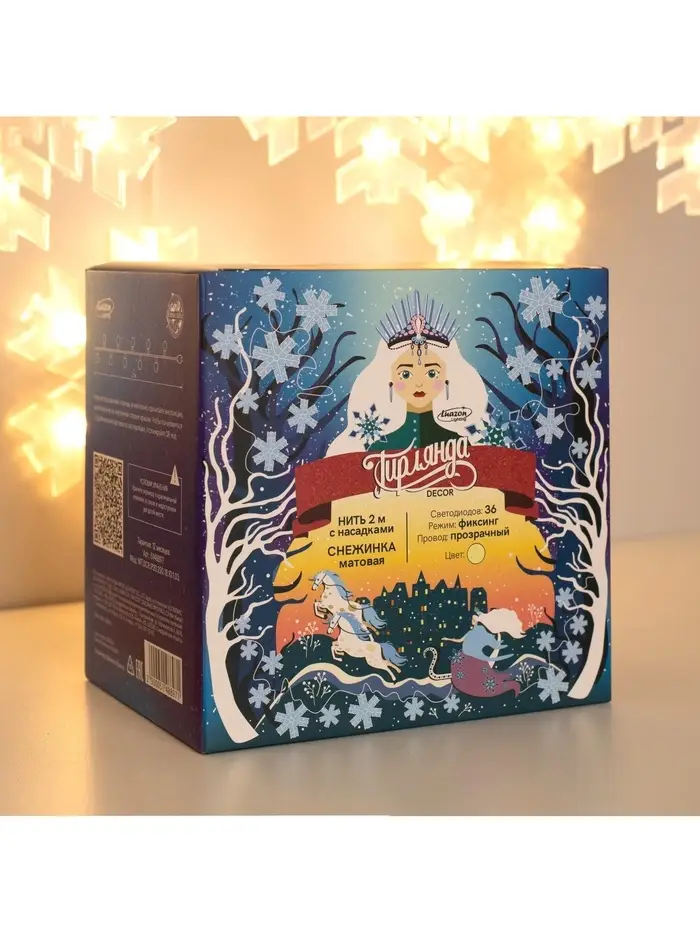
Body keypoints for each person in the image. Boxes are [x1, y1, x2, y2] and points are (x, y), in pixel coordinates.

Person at [327, 291, 488, 457]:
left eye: (431, 373)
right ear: (390, 378)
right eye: (405, 374)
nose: (419, 383)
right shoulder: (379, 449)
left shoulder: (460, 446)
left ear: (446, 377)